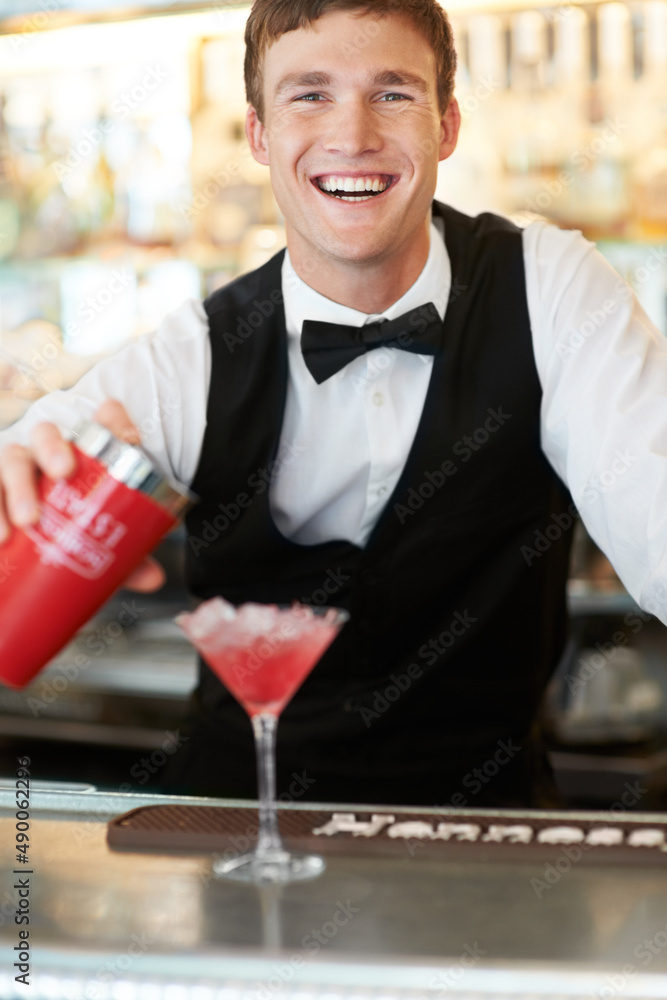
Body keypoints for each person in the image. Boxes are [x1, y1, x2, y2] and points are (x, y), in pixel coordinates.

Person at [1, 0, 666, 808]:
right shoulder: (193, 353)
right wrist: (26, 485)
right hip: (234, 833)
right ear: (257, 135)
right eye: (308, 94)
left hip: (486, 846)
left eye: (392, 93)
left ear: (445, 125)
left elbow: (654, 508)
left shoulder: (550, 287)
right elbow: (51, 447)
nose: (352, 134)